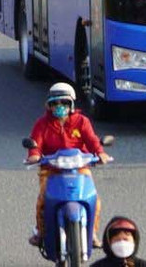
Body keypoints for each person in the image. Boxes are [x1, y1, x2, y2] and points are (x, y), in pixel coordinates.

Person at [25, 82, 106, 247]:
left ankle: (92, 233)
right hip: (51, 169)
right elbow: (36, 145)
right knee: (43, 200)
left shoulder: (82, 122)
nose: (59, 107)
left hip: (79, 167)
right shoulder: (42, 124)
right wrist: (34, 155)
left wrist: (100, 153)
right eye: (55, 103)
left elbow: (92, 140)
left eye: (63, 102)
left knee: (95, 200)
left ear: (71, 104)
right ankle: (41, 232)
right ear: (49, 106)